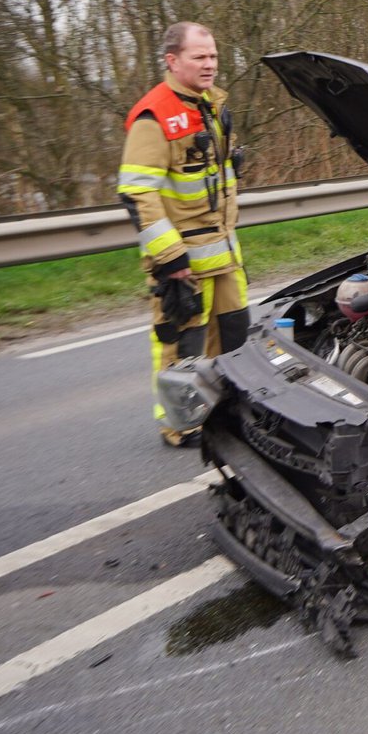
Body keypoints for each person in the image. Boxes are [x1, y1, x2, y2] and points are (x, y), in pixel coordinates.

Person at [116, 22, 248, 448]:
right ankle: (180, 425)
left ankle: (226, 413)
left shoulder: (211, 105)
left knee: (232, 336)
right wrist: (170, 257)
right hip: (182, 262)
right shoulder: (154, 116)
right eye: (199, 57)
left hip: (223, 253)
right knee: (182, 345)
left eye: (213, 56)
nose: (210, 64)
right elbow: (138, 192)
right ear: (172, 61)